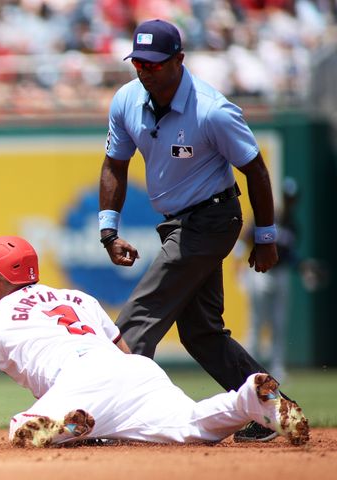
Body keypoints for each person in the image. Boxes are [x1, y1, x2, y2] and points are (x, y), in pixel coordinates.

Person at [0, 236, 309, 448]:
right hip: (135, 371)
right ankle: (250, 399)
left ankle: (63, 424)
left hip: (78, 385)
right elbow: (127, 355)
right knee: (192, 427)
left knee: (22, 429)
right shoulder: (78, 295)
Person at [97, 19, 283, 443]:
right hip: (176, 225)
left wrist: (266, 236)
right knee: (201, 334)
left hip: (213, 218)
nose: (145, 70)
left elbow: (255, 169)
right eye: (139, 62)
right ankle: (275, 409)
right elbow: (114, 164)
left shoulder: (212, 109)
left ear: (179, 60)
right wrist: (109, 231)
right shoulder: (127, 99)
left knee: (139, 317)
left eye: (155, 64)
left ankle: (106, 418)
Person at [239, 177, 301, 382]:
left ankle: (277, 368)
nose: (289, 201)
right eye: (286, 197)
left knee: (278, 324)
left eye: (292, 198)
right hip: (259, 272)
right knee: (256, 322)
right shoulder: (267, 216)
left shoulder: (292, 224)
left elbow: (289, 253)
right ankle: (251, 370)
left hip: (280, 273)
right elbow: (246, 236)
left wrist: (301, 266)